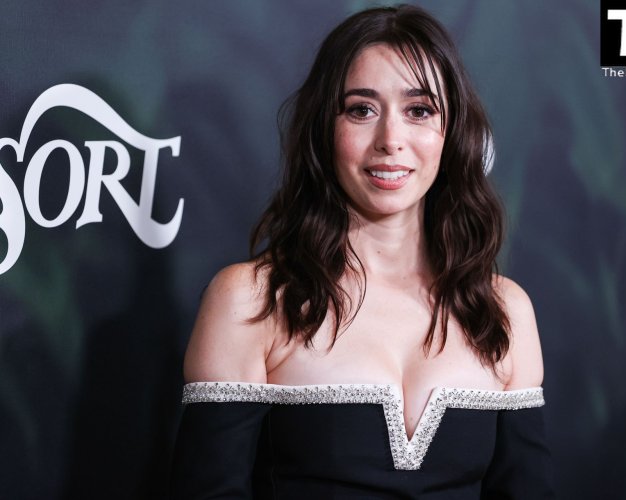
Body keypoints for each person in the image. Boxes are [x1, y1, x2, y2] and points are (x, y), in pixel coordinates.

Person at [170, 4, 554, 499]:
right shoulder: (252, 300)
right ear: (324, 129)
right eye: (361, 109)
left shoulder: (504, 311)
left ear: (452, 132)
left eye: (419, 111)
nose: (391, 140)